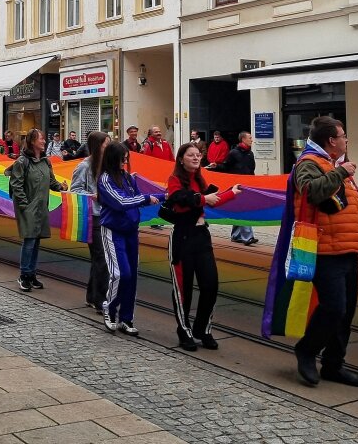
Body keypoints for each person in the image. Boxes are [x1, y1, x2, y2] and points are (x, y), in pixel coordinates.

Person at [292, 117, 358, 387]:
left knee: (346, 312)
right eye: (343, 136)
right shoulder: (308, 163)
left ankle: (334, 364)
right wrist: (341, 172)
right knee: (333, 308)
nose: (346, 140)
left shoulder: (332, 165)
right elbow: (310, 192)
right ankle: (307, 350)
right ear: (331, 140)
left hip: (348, 248)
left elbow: (344, 201)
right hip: (324, 249)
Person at [164, 143, 241, 350]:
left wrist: (232, 192)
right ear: (181, 159)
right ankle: (184, 331)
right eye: (191, 155)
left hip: (201, 237)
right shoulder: (174, 180)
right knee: (183, 289)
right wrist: (202, 198)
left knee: (211, 285)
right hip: (183, 238)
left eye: (198, 155)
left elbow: (211, 201)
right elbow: (179, 199)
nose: (196, 158)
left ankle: (202, 328)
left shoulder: (200, 179)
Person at [96, 142, 162, 335]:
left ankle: (126, 318)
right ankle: (109, 307)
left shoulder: (127, 178)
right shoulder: (105, 179)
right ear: (112, 157)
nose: (126, 160)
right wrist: (147, 199)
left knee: (132, 275)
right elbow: (121, 202)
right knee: (120, 274)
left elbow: (139, 198)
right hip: (113, 231)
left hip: (131, 231)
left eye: (127, 157)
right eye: (122, 157)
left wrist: (164, 196)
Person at [10, 129, 66, 291]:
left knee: (36, 241)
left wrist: (61, 187)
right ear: (33, 141)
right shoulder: (22, 162)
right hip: (28, 208)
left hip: (41, 208)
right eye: (41, 138)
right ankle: (24, 275)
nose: (44, 141)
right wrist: (24, 205)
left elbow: (51, 182)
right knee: (29, 241)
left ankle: (32, 274)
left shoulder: (46, 162)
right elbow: (16, 185)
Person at [70, 131, 109, 312]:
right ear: (96, 146)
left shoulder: (108, 165)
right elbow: (74, 190)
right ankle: (99, 298)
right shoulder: (84, 166)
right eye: (105, 144)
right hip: (93, 217)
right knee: (101, 257)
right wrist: (93, 196)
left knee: (101, 259)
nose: (108, 147)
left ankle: (92, 296)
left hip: (107, 216)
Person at [210, 131, 258, 245]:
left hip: (248, 185)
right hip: (237, 186)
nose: (252, 140)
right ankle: (247, 237)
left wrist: (254, 182)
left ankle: (236, 235)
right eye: (250, 138)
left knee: (240, 209)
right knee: (243, 209)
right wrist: (216, 166)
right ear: (243, 139)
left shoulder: (250, 153)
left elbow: (251, 170)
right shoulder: (234, 153)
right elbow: (226, 166)